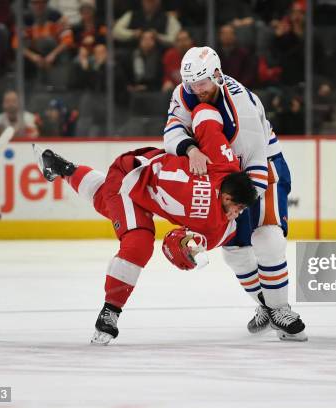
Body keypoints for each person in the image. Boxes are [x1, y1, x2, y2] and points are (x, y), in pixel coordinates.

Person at [34, 102, 257, 345]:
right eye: (238, 207)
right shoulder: (221, 161)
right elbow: (205, 112)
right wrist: (191, 148)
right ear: (226, 196)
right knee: (139, 241)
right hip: (128, 175)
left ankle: (64, 168)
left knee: (104, 200)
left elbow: (180, 245)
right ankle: (110, 312)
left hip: (146, 188)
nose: (237, 213)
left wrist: (186, 248)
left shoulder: (221, 225)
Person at [163, 46, 307, 341]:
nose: (196, 90)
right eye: (191, 83)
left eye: (201, 83)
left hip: (263, 167)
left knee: (267, 237)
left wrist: (236, 207)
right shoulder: (184, 91)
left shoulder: (242, 109)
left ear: (217, 75)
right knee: (235, 251)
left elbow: (254, 163)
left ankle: (281, 308)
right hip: (223, 171)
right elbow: (173, 131)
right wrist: (190, 149)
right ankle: (266, 306)